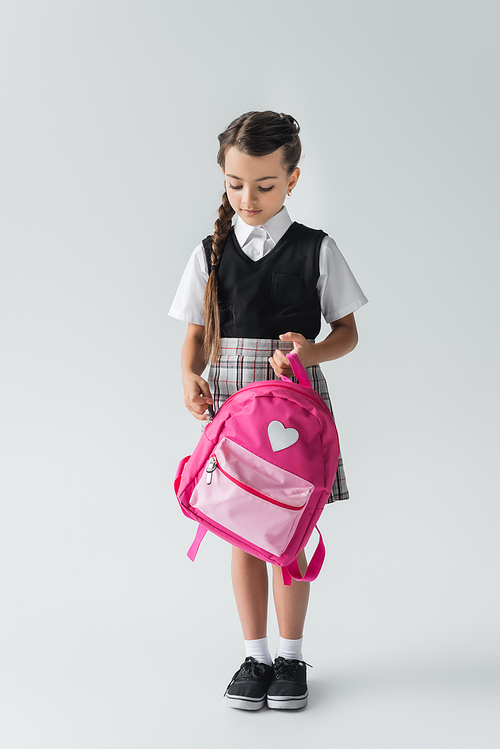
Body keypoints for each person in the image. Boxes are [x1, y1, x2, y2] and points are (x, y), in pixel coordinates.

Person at [169, 111, 368, 710]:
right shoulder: (210, 251)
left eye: (265, 185)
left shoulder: (316, 249)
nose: (248, 198)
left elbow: (348, 332)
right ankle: (255, 658)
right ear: (224, 179)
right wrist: (188, 376)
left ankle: (291, 656)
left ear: (293, 179)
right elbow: (198, 334)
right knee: (242, 531)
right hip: (233, 405)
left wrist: (312, 349)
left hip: (293, 408)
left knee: (289, 529)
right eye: (235, 184)